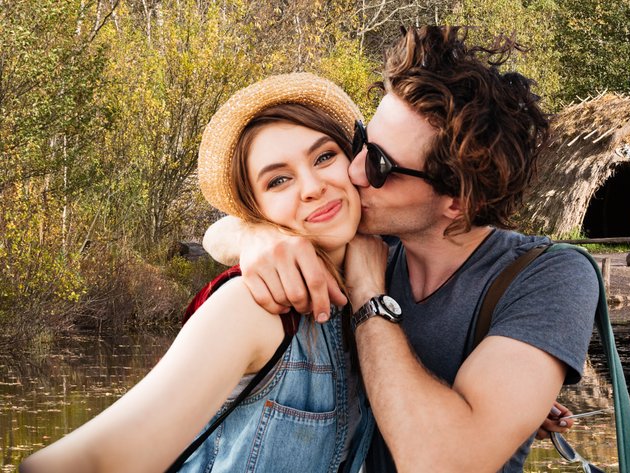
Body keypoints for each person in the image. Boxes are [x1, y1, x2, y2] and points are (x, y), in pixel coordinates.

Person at [204, 26, 599, 473]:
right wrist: (261, 237)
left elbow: (441, 463)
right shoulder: (363, 233)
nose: (352, 171)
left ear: (458, 201)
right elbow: (219, 234)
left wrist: (370, 298)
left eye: (380, 164)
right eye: (360, 141)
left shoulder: (549, 276)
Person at [20, 73, 374, 473]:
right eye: (278, 180)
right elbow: (80, 462)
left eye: (324, 156)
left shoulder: (382, 284)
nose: (311, 186)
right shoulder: (251, 306)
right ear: (256, 211)